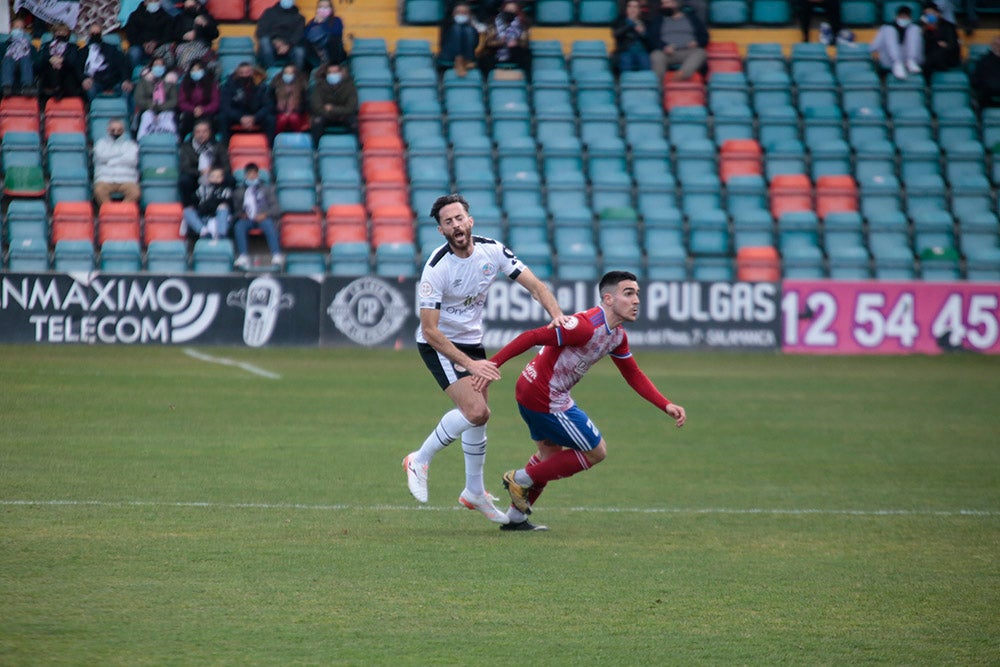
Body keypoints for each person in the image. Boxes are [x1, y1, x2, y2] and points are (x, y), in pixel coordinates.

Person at [401, 193, 570, 526]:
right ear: (441, 230)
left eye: (459, 218)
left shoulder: (492, 250)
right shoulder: (436, 268)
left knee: (478, 419)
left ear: (470, 220)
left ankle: (474, 491)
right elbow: (430, 330)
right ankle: (419, 459)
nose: (456, 225)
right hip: (440, 344)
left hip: (472, 341)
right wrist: (472, 363)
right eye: (448, 222)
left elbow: (535, 285)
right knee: (476, 411)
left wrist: (557, 316)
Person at [479, 271, 687, 531]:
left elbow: (633, 374)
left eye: (637, 294)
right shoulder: (584, 326)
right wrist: (491, 365)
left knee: (550, 456)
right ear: (608, 299)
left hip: (536, 391)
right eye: (629, 293)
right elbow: (532, 337)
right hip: (545, 396)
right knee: (596, 451)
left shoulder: (617, 336)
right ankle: (519, 478)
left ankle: (515, 518)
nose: (636, 300)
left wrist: (665, 404)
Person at [233, 162, 283, 269]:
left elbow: (276, 208)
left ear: (257, 174)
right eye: (249, 174)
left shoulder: (267, 189)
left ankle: (276, 254)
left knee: (269, 225)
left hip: (263, 218)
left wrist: (265, 214)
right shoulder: (239, 191)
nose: (251, 176)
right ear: (245, 175)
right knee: (239, 226)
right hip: (247, 219)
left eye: (254, 173)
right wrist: (241, 215)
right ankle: (243, 256)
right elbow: (235, 210)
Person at [645, 0, 708, 82]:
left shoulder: (691, 18)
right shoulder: (658, 20)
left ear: (675, 4)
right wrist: (663, 46)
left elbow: (704, 36)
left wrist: (697, 42)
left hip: (688, 51)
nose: (664, 6)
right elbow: (652, 38)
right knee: (656, 55)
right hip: (667, 53)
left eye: (667, 3)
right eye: (663, 3)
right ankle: (658, 87)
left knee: (701, 52)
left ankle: (681, 76)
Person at [179, 118, 231, 206]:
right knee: (184, 180)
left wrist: (214, 172)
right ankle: (189, 206)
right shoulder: (186, 147)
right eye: (198, 132)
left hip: (215, 176)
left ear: (210, 132)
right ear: (194, 133)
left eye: (204, 132)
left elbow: (227, 166)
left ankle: (224, 205)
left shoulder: (219, 146)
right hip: (196, 176)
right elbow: (185, 167)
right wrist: (201, 172)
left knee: (230, 179)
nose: (201, 135)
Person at [218, 61, 275, 143]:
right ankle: (224, 147)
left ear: (252, 73)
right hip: (237, 115)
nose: (244, 75)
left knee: (270, 119)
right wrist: (240, 117)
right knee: (222, 117)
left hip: (256, 115)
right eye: (242, 73)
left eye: (247, 72)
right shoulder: (229, 86)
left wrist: (255, 117)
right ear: (237, 73)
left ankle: (269, 148)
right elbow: (225, 106)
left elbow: (268, 106)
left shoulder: (261, 86)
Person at [92, 118, 141, 206]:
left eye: (119, 130)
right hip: (105, 179)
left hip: (126, 180)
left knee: (135, 192)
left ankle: (121, 212)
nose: (116, 132)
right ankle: (109, 211)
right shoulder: (100, 144)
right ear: (108, 130)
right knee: (99, 191)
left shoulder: (131, 145)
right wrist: (121, 156)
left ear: (124, 130)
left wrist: (110, 161)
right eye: (113, 130)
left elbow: (132, 160)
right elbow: (101, 157)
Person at [478, 0, 533, 78]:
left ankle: (528, 81)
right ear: (503, 10)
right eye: (508, 10)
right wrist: (501, 42)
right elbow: (488, 42)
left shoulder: (523, 24)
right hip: (497, 51)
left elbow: (525, 42)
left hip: (514, 52)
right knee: (484, 58)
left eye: (513, 10)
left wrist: (516, 42)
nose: (510, 12)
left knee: (526, 55)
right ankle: (486, 82)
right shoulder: (493, 22)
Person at [309, 61, 357, 146]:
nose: (333, 75)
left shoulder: (350, 86)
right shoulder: (319, 86)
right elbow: (317, 107)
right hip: (326, 115)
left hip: (344, 116)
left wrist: (332, 109)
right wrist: (336, 112)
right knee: (317, 121)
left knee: (354, 122)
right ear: (326, 74)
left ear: (341, 73)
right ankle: (315, 149)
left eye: (335, 72)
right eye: (330, 72)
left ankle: (357, 148)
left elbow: (351, 108)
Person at [82, 23, 134, 101]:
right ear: (89, 35)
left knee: (126, 88)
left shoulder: (111, 49)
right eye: (93, 34)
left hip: (114, 81)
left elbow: (123, 65)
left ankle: (125, 111)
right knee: (89, 87)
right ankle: (93, 110)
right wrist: (84, 79)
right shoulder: (83, 51)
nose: (95, 35)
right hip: (95, 81)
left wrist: (125, 80)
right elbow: (79, 68)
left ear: (101, 34)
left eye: (98, 33)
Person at [870, 5, 924, 80]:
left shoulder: (915, 28)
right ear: (897, 17)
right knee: (889, 31)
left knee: (914, 30)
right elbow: (874, 46)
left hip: (911, 58)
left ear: (910, 18)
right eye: (901, 17)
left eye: (906, 17)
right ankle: (897, 63)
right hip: (890, 60)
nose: (903, 19)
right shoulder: (886, 28)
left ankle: (911, 61)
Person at [182, 165, 233, 240]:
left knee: (223, 208)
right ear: (208, 178)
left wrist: (211, 205)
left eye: (218, 177)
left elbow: (228, 206)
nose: (215, 179)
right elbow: (195, 203)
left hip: (219, 219)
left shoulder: (226, 191)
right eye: (213, 176)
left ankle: (221, 235)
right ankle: (203, 231)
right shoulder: (202, 189)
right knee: (187, 211)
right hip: (204, 218)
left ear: (222, 178)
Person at [133, 57, 179, 140]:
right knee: (146, 116)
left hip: (166, 111)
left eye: (161, 65)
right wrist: (152, 105)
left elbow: (174, 101)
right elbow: (139, 99)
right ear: (151, 67)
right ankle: (141, 141)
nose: (158, 67)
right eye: (156, 65)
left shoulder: (170, 82)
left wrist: (160, 106)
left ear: (164, 67)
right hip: (147, 109)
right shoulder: (143, 81)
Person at [124, 0, 178, 70]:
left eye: (155, 1)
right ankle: (136, 73)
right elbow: (131, 36)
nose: (153, 3)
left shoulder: (166, 16)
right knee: (134, 52)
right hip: (141, 47)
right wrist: (144, 44)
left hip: (160, 46)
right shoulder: (135, 16)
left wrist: (156, 43)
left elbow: (169, 35)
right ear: (145, 2)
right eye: (150, 1)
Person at [36, 22, 83, 102]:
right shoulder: (47, 46)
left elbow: (72, 62)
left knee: (61, 71)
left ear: (67, 34)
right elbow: (40, 62)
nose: (61, 33)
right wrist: (50, 59)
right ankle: (56, 89)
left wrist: (61, 61)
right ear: (54, 33)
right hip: (48, 75)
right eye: (58, 32)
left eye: (63, 32)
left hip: (66, 75)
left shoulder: (73, 47)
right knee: (52, 69)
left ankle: (57, 89)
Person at [255, 0, 307, 70]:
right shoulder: (269, 12)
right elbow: (261, 31)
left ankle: (296, 75)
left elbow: (298, 35)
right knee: (264, 41)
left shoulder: (300, 17)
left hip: (289, 46)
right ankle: (271, 72)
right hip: (271, 44)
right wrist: (276, 42)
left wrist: (287, 45)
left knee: (299, 51)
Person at [172, 0, 220, 73]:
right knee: (182, 53)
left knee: (189, 55)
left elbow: (215, 34)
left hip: (202, 46)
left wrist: (206, 24)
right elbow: (174, 35)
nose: (189, 9)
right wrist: (184, 36)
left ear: (198, 5)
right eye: (187, 7)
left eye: (191, 7)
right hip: (184, 45)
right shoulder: (179, 18)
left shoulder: (207, 17)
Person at [177, 60, 220, 139]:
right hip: (191, 112)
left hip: (207, 112)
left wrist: (203, 109)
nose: (195, 72)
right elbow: (182, 102)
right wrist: (194, 109)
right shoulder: (185, 84)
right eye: (193, 70)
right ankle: (182, 142)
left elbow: (215, 103)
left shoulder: (212, 84)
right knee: (186, 118)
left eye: (198, 70)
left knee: (211, 119)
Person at [437, 1, 480, 76]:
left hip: (468, 55)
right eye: (458, 12)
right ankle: (459, 61)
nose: (461, 15)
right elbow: (443, 42)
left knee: (468, 30)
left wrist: (474, 27)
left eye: (464, 13)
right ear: (453, 13)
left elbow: (475, 44)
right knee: (457, 28)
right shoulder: (447, 23)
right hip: (449, 55)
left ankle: (466, 60)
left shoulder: (472, 26)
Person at [920, 2, 961, 74]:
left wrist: (943, 45)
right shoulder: (925, 28)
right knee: (930, 58)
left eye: (931, 13)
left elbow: (952, 45)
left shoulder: (948, 26)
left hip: (948, 57)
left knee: (937, 55)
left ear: (937, 14)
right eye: (927, 14)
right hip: (931, 56)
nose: (929, 16)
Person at [304, 0, 346, 68]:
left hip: (334, 53)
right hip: (317, 53)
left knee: (333, 39)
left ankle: (333, 66)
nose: (323, 9)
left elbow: (336, 32)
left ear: (331, 9)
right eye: (321, 7)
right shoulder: (312, 22)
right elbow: (306, 35)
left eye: (326, 7)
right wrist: (315, 23)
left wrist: (322, 23)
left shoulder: (337, 20)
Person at [612, 0, 651, 73]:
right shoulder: (619, 21)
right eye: (630, 7)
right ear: (626, 9)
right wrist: (630, 24)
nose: (632, 9)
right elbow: (616, 34)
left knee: (645, 62)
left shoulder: (646, 23)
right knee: (626, 60)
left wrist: (643, 32)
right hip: (625, 51)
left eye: (635, 7)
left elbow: (651, 41)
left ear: (639, 10)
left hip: (642, 51)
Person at [1, 17, 37, 96]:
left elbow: (37, 63)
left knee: (25, 58)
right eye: (16, 27)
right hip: (7, 67)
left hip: (26, 67)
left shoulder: (31, 47)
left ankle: (27, 86)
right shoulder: (3, 46)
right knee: (8, 59)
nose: (19, 30)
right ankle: (6, 87)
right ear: (11, 29)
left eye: (21, 28)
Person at [271, 63, 310, 134]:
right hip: (278, 113)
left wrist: (294, 110)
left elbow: (305, 104)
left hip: (298, 113)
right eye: (286, 73)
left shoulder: (302, 86)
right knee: (282, 119)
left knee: (293, 118)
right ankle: (276, 140)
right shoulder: (275, 85)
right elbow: (271, 102)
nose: (288, 75)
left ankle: (298, 139)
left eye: (291, 73)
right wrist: (280, 111)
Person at [972, 35, 1000, 109]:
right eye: (996, 44)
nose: (998, 47)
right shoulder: (983, 61)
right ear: (992, 45)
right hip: (987, 94)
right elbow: (976, 80)